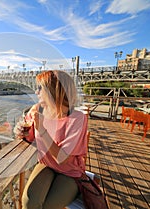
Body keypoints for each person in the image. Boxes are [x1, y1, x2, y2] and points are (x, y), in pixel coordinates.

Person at [13, 70, 88, 209]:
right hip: (46, 164)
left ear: (54, 90)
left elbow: (62, 158)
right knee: (29, 203)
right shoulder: (37, 110)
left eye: (40, 88)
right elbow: (28, 136)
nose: (36, 92)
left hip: (69, 172)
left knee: (49, 206)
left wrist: (42, 129)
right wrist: (19, 131)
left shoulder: (77, 118)